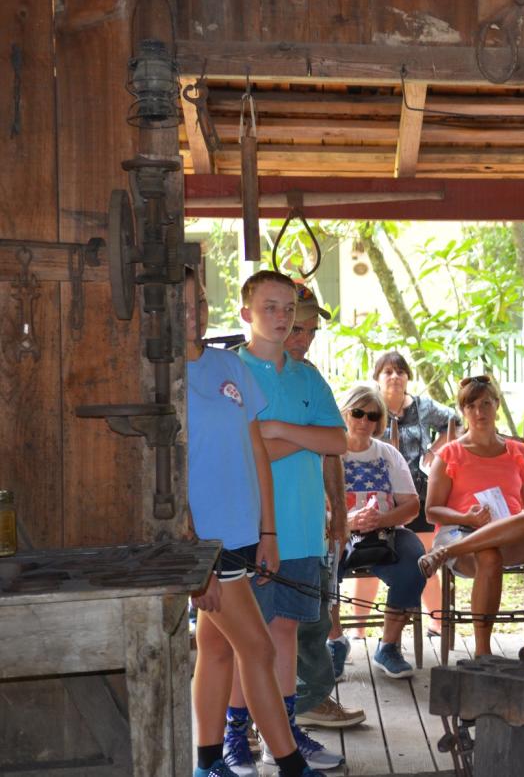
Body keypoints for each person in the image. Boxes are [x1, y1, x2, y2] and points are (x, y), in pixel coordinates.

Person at [183, 267, 317, 777]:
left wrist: (268, 531)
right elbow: (163, 470)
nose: (193, 311)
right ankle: (290, 766)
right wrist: (191, 554)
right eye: (182, 302)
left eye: (198, 300)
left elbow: (256, 449)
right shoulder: (158, 375)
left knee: (216, 650)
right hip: (204, 544)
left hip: (244, 532)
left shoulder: (230, 366)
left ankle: (207, 764)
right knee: (257, 648)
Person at [223, 270, 348, 775]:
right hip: (248, 530)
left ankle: (286, 730)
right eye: (269, 307)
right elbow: (237, 452)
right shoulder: (228, 373)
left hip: (301, 527)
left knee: (286, 632)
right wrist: (303, 436)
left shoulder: (306, 375)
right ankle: (237, 735)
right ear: (246, 313)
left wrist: (273, 430)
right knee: (244, 640)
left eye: (287, 309)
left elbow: (340, 441)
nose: (281, 317)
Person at [280, 285, 365, 729]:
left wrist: (339, 512)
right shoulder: (246, 370)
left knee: (312, 617)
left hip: (308, 517)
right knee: (259, 628)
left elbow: (335, 447)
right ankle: (250, 721)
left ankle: (309, 700)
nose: (304, 339)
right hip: (259, 524)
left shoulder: (311, 376)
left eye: (310, 331)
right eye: (297, 328)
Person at [419, 375, 524, 656]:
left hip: (510, 535)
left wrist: (518, 521)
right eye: (472, 405)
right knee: (488, 555)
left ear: (497, 405)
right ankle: (482, 652)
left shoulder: (517, 452)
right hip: (462, 532)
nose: (480, 412)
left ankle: (444, 553)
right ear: (463, 411)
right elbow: (431, 510)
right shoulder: (450, 454)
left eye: (486, 404)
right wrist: (467, 517)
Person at [330, 382, 427, 678]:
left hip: (386, 532)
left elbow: (411, 505)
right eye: (358, 413)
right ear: (345, 413)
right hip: (338, 531)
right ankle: (334, 641)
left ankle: (389, 645)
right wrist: (347, 523)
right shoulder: (329, 454)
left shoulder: (388, 454)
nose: (364, 422)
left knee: (416, 564)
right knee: (321, 563)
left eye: (372, 416)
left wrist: (380, 520)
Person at [371, 351, 459, 638]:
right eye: (388, 372)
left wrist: (436, 451)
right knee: (373, 556)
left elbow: (455, 420)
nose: (395, 377)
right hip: (378, 497)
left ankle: (436, 622)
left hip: (418, 493)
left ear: (408, 377)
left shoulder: (421, 407)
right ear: (377, 378)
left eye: (400, 372)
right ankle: (359, 632)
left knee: (422, 556)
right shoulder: (369, 407)